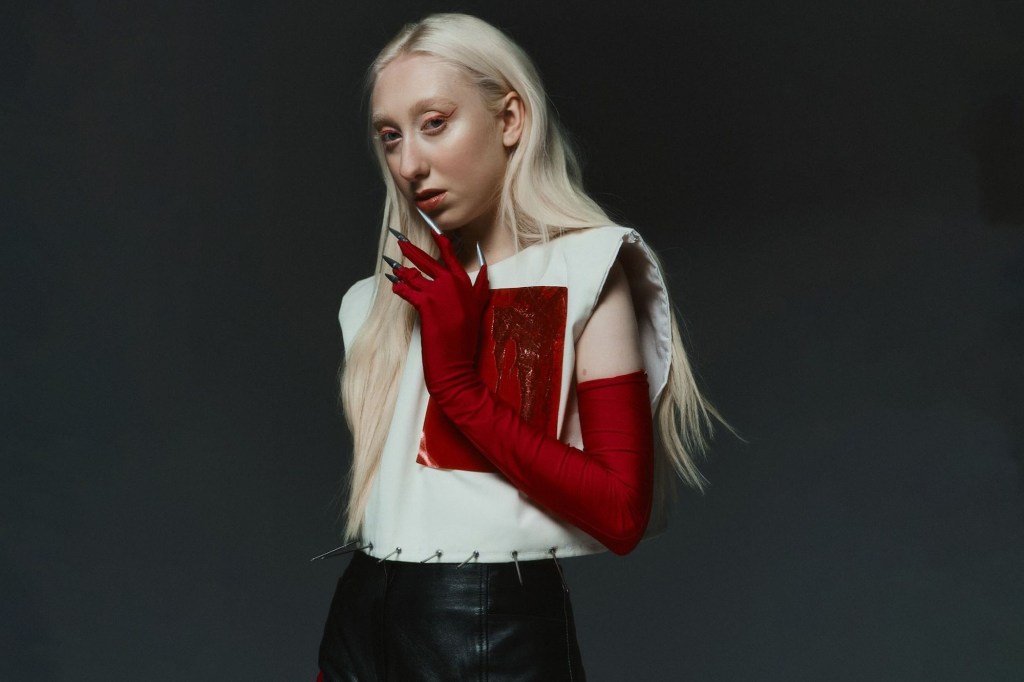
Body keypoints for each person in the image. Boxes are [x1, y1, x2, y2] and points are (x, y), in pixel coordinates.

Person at [316, 13, 719, 681]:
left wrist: (459, 387)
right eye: (391, 136)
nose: (410, 164)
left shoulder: (585, 271)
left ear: (510, 119)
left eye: (435, 123)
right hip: (360, 623)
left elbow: (621, 512)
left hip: (486, 632)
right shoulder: (374, 306)